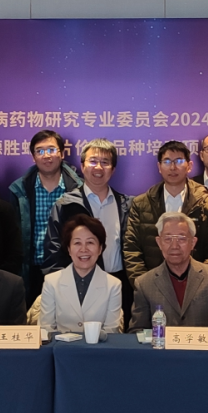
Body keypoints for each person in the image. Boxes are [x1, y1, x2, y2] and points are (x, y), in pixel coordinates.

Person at [42, 139, 133, 326]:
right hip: (78, 284)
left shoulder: (127, 205)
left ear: (113, 169)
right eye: (93, 161)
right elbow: (53, 250)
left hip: (118, 282)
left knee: (113, 335)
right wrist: (62, 290)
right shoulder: (65, 204)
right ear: (82, 166)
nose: (98, 167)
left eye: (105, 162)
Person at [123, 141, 208, 287]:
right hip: (152, 286)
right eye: (167, 161)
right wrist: (145, 286)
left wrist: (201, 285)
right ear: (159, 167)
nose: (173, 167)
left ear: (189, 166)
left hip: (198, 286)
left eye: (178, 161)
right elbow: (132, 250)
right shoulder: (141, 204)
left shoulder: (207, 203)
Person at [8, 130, 83, 306]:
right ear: (33, 157)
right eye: (40, 151)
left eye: (51, 150)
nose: (46, 156)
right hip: (31, 270)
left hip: (67, 267)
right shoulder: (20, 190)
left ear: (62, 154)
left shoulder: (78, 189)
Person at [129, 212, 208, 332]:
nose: (174, 246)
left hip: (202, 345)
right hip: (161, 345)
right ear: (159, 243)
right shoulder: (144, 283)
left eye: (181, 239)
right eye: (168, 239)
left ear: (193, 243)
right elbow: (137, 332)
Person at [39, 215, 123, 334]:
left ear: (100, 248)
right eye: (77, 243)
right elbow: (46, 329)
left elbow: (111, 331)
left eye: (90, 242)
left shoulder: (113, 285)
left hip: (98, 346)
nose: (84, 249)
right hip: (60, 345)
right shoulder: (51, 281)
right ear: (69, 249)